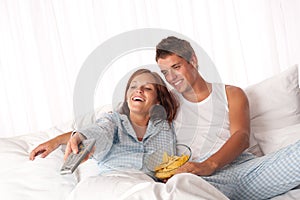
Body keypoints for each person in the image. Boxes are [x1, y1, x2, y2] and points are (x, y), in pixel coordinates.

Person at [155, 36, 300, 199]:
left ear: (193, 60)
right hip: (199, 178)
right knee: (180, 189)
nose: (171, 77)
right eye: (165, 72)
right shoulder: (169, 102)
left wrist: (208, 165)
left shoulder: (231, 93)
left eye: (176, 67)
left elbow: (241, 136)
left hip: (243, 170)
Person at [30, 68, 179, 178]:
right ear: (127, 96)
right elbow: (100, 131)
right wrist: (77, 138)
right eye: (133, 87)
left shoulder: (164, 128)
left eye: (147, 88)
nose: (138, 90)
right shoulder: (113, 121)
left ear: (158, 100)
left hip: (148, 187)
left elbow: (167, 165)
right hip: (112, 181)